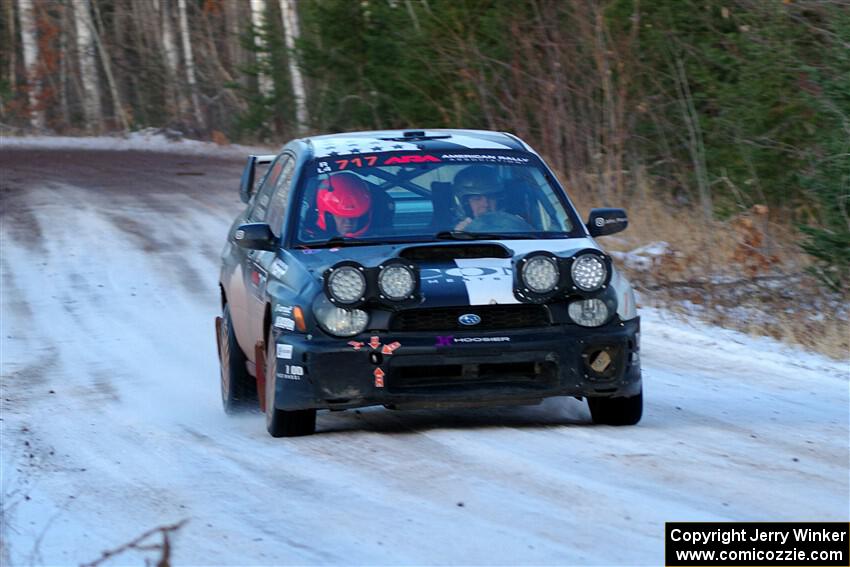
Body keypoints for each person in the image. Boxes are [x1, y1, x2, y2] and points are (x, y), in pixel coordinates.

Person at [452, 165, 533, 232]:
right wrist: (458, 235)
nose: (486, 204)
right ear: (464, 203)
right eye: (477, 198)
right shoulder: (450, 235)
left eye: (491, 197)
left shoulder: (516, 225)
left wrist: (520, 226)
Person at [314, 172, 373, 237]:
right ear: (329, 217)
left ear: (362, 217)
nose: (348, 221)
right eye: (340, 216)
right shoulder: (309, 242)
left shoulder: (380, 239)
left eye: (353, 216)